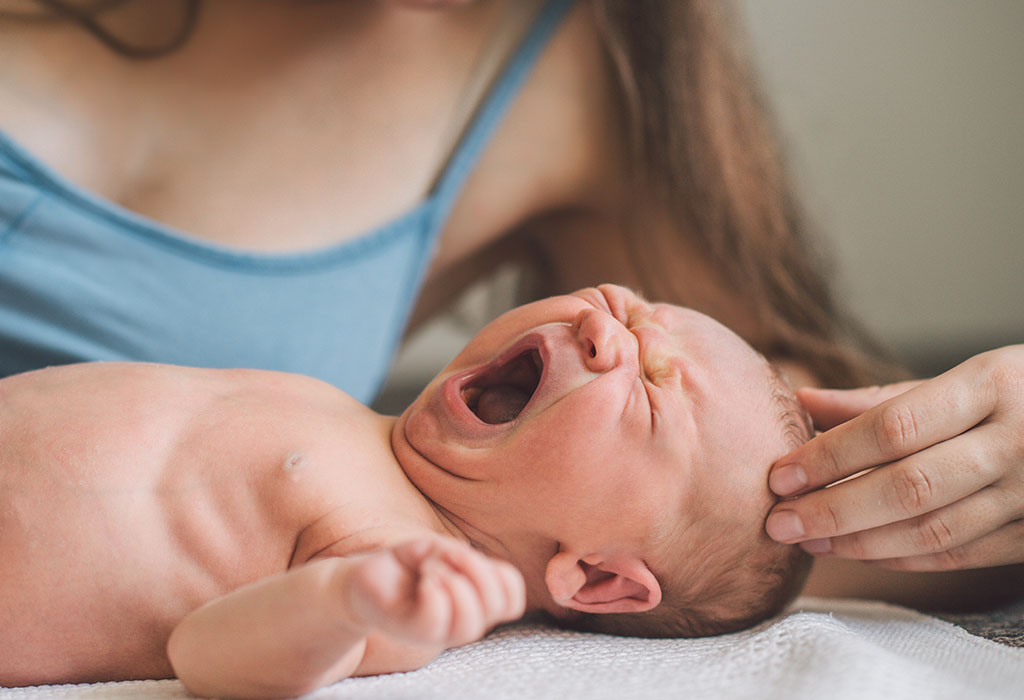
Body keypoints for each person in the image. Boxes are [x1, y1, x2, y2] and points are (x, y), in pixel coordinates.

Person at [0, 0, 1019, 620]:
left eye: (648, 337)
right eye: (626, 311)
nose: (611, 326)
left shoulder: (582, 65)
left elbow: (755, 517)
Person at [0, 284, 811, 698]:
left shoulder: (403, 567)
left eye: (652, 390)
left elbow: (207, 658)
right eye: (633, 307)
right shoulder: (346, 413)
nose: (602, 327)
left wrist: (341, 604)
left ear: (595, 578)